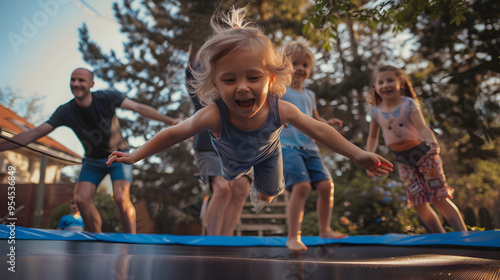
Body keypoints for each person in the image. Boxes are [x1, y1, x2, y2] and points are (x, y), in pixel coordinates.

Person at [107, 7, 392, 210]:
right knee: (231, 182)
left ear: (270, 79)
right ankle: (239, 188)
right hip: (231, 162)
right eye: (229, 80)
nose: (242, 87)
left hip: (268, 155)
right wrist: (135, 156)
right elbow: (172, 134)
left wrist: (357, 153)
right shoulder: (212, 114)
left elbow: (319, 129)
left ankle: (262, 194)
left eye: (253, 77)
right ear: (216, 85)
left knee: (269, 193)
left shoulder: (282, 109)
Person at [0, 67, 182, 233]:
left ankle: (131, 239)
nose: (76, 84)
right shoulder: (65, 111)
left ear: (91, 84)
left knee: (120, 197)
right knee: (81, 200)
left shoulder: (107, 98)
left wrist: (170, 121)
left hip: (119, 156)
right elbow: (36, 132)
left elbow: (138, 107)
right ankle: (97, 237)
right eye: (73, 80)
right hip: (92, 161)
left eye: (81, 80)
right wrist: (3, 146)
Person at [365, 65, 467, 233]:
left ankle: (463, 235)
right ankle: (440, 237)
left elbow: (422, 128)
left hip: (425, 155)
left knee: (439, 198)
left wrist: (433, 142)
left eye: (390, 80)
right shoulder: (376, 112)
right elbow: (373, 137)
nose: (385, 85)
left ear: (401, 83)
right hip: (403, 161)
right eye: (380, 82)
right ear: (375, 87)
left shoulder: (409, 104)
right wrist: (369, 157)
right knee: (419, 203)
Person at [280, 38, 347, 252]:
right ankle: (293, 236)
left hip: (310, 148)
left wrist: (328, 124)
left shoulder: (310, 95)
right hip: (287, 147)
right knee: (301, 186)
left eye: (305, 65)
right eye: (295, 64)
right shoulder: (279, 90)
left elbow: (314, 120)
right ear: (285, 66)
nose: (300, 69)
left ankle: (325, 229)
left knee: (327, 186)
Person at [187, 44, 252, 235]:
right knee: (222, 188)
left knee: (241, 188)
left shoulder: (236, 84)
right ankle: (213, 241)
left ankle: (226, 239)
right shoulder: (200, 86)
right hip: (207, 146)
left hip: (234, 147)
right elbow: (196, 61)